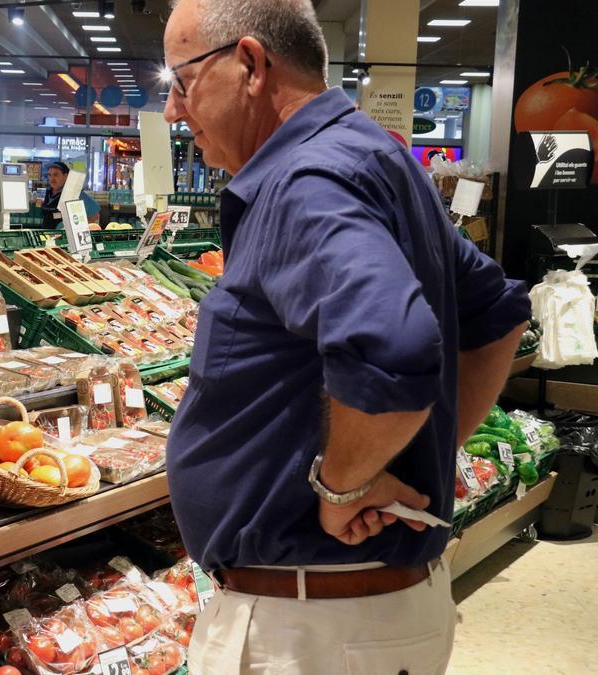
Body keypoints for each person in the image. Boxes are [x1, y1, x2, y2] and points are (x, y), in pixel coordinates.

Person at [160, 1, 530, 672]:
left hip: (312, 628)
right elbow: (496, 316)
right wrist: (408, 449)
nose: (172, 112)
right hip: (354, 613)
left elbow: (395, 346)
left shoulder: (306, 180)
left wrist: (344, 486)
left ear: (249, 64)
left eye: (180, 82)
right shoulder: (369, 156)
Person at [39, 161, 98, 229]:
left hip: (63, 237)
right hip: (45, 235)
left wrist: (81, 228)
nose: (52, 179)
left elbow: (95, 215)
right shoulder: (46, 193)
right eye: (49, 175)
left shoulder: (75, 194)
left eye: (56, 175)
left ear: (66, 176)